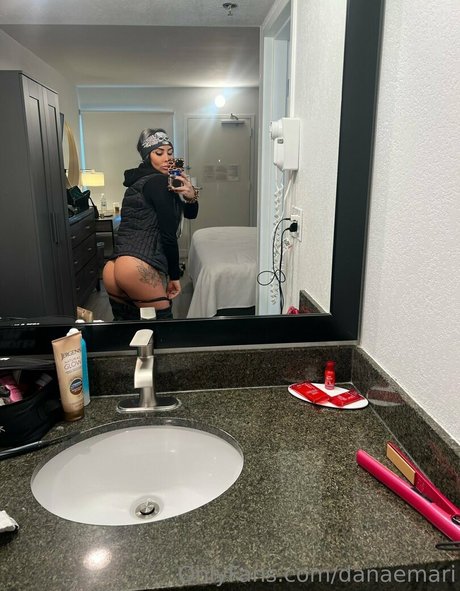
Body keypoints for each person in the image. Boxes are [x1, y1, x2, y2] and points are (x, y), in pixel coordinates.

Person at [102, 128, 199, 320]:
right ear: (148, 156)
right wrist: (174, 276)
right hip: (137, 266)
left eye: (170, 153)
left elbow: (190, 214)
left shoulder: (138, 182)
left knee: (126, 330)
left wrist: (190, 196)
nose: (167, 159)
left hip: (113, 267)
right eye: (159, 153)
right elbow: (168, 235)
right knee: (163, 328)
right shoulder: (159, 182)